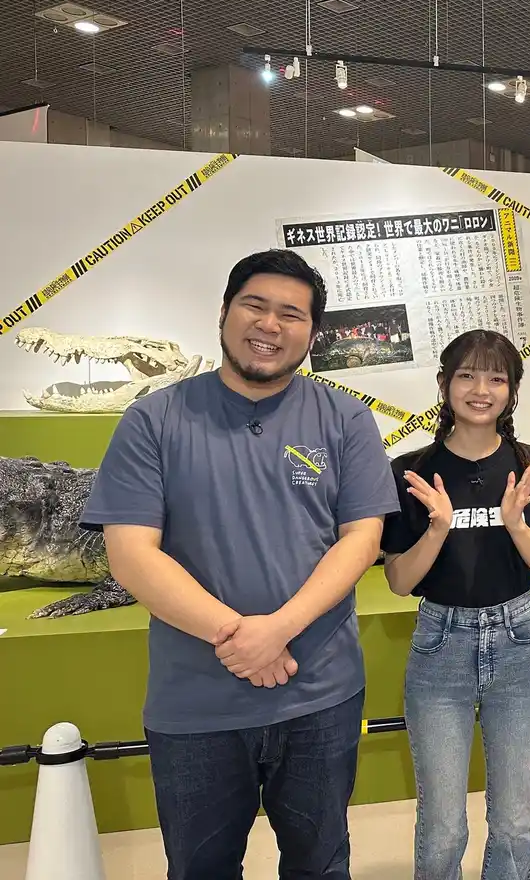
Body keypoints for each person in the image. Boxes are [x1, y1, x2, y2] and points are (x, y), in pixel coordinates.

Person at [78, 249, 401, 878]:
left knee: (321, 865)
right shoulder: (153, 420)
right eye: (255, 305)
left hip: (320, 694)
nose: (270, 325)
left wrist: (277, 629)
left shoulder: (345, 418)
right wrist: (240, 636)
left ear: (313, 332)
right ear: (224, 312)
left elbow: (362, 540)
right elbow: (131, 554)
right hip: (196, 704)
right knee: (201, 869)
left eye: (292, 314)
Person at [380, 329, 530, 880]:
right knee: (443, 822)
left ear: (512, 391)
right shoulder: (410, 470)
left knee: (514, 818)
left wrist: (516, 524)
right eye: (467, 375)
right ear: (444, 384)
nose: (481, 390)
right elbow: (399, 580)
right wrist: (437, 529)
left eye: (496, 378)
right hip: (439, 643)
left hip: (517, 640)